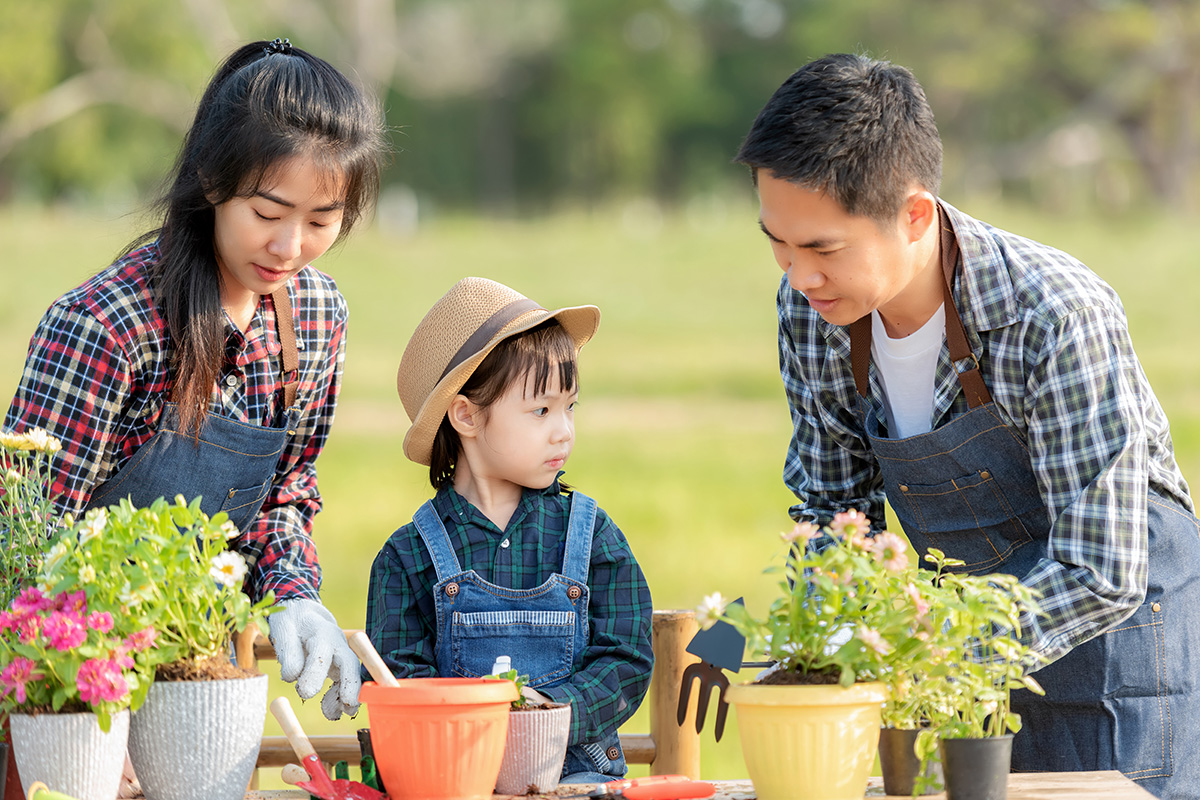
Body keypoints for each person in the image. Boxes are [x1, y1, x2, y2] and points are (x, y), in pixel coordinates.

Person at [735, 52, 1200, 799]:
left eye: (823, 248)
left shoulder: (1053, 315)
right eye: (777, 244)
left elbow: (1104, 568)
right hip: (964, 672)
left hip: (1123, 659)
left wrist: (925, 653)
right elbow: (833, 515)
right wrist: (823, 652)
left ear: (914, 214)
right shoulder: (810, 315)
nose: (798, 276)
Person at [4, 38, 387, 720]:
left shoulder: (317, 316)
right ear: (212, 182)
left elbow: (283, 494)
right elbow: (22, 549)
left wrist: (296, 592)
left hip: (207, 679)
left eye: (322, 221)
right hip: (68, 685)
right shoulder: (107, 327)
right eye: (268, 214)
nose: (289, 246)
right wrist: (72, 710)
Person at [366, 277, 653, 784]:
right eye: (541, 410)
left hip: (576, 777)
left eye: (570, 407)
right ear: (467, 416)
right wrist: (482, 724)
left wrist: (549, 712)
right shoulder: (406, 556)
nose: (563, 429)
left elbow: (627, 658)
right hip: (456, 778)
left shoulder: (588, 533)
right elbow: (401, 687)